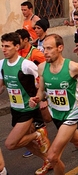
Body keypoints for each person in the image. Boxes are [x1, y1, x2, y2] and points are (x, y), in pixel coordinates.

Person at [29, 34, 78, 175]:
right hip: (56, 114)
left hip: (72, 113)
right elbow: (41, 91)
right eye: (43, 48)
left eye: (49, 48)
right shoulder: (41, 68)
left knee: (52, 156)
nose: (45, 52)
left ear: (60, 48)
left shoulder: (72, 67)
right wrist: (36, 99)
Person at [0, 32, 51, 175]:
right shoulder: (1, 65)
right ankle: (48, 160)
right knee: (26, 142)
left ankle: (37, 135)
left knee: (11, 143)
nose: (4, 49)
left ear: (17, 46)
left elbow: (42, 82)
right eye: (2, 46)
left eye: (7, 46)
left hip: (28, 109)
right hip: (15, 109)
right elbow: (1, 87)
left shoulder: (26, 65)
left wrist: (42, 98)